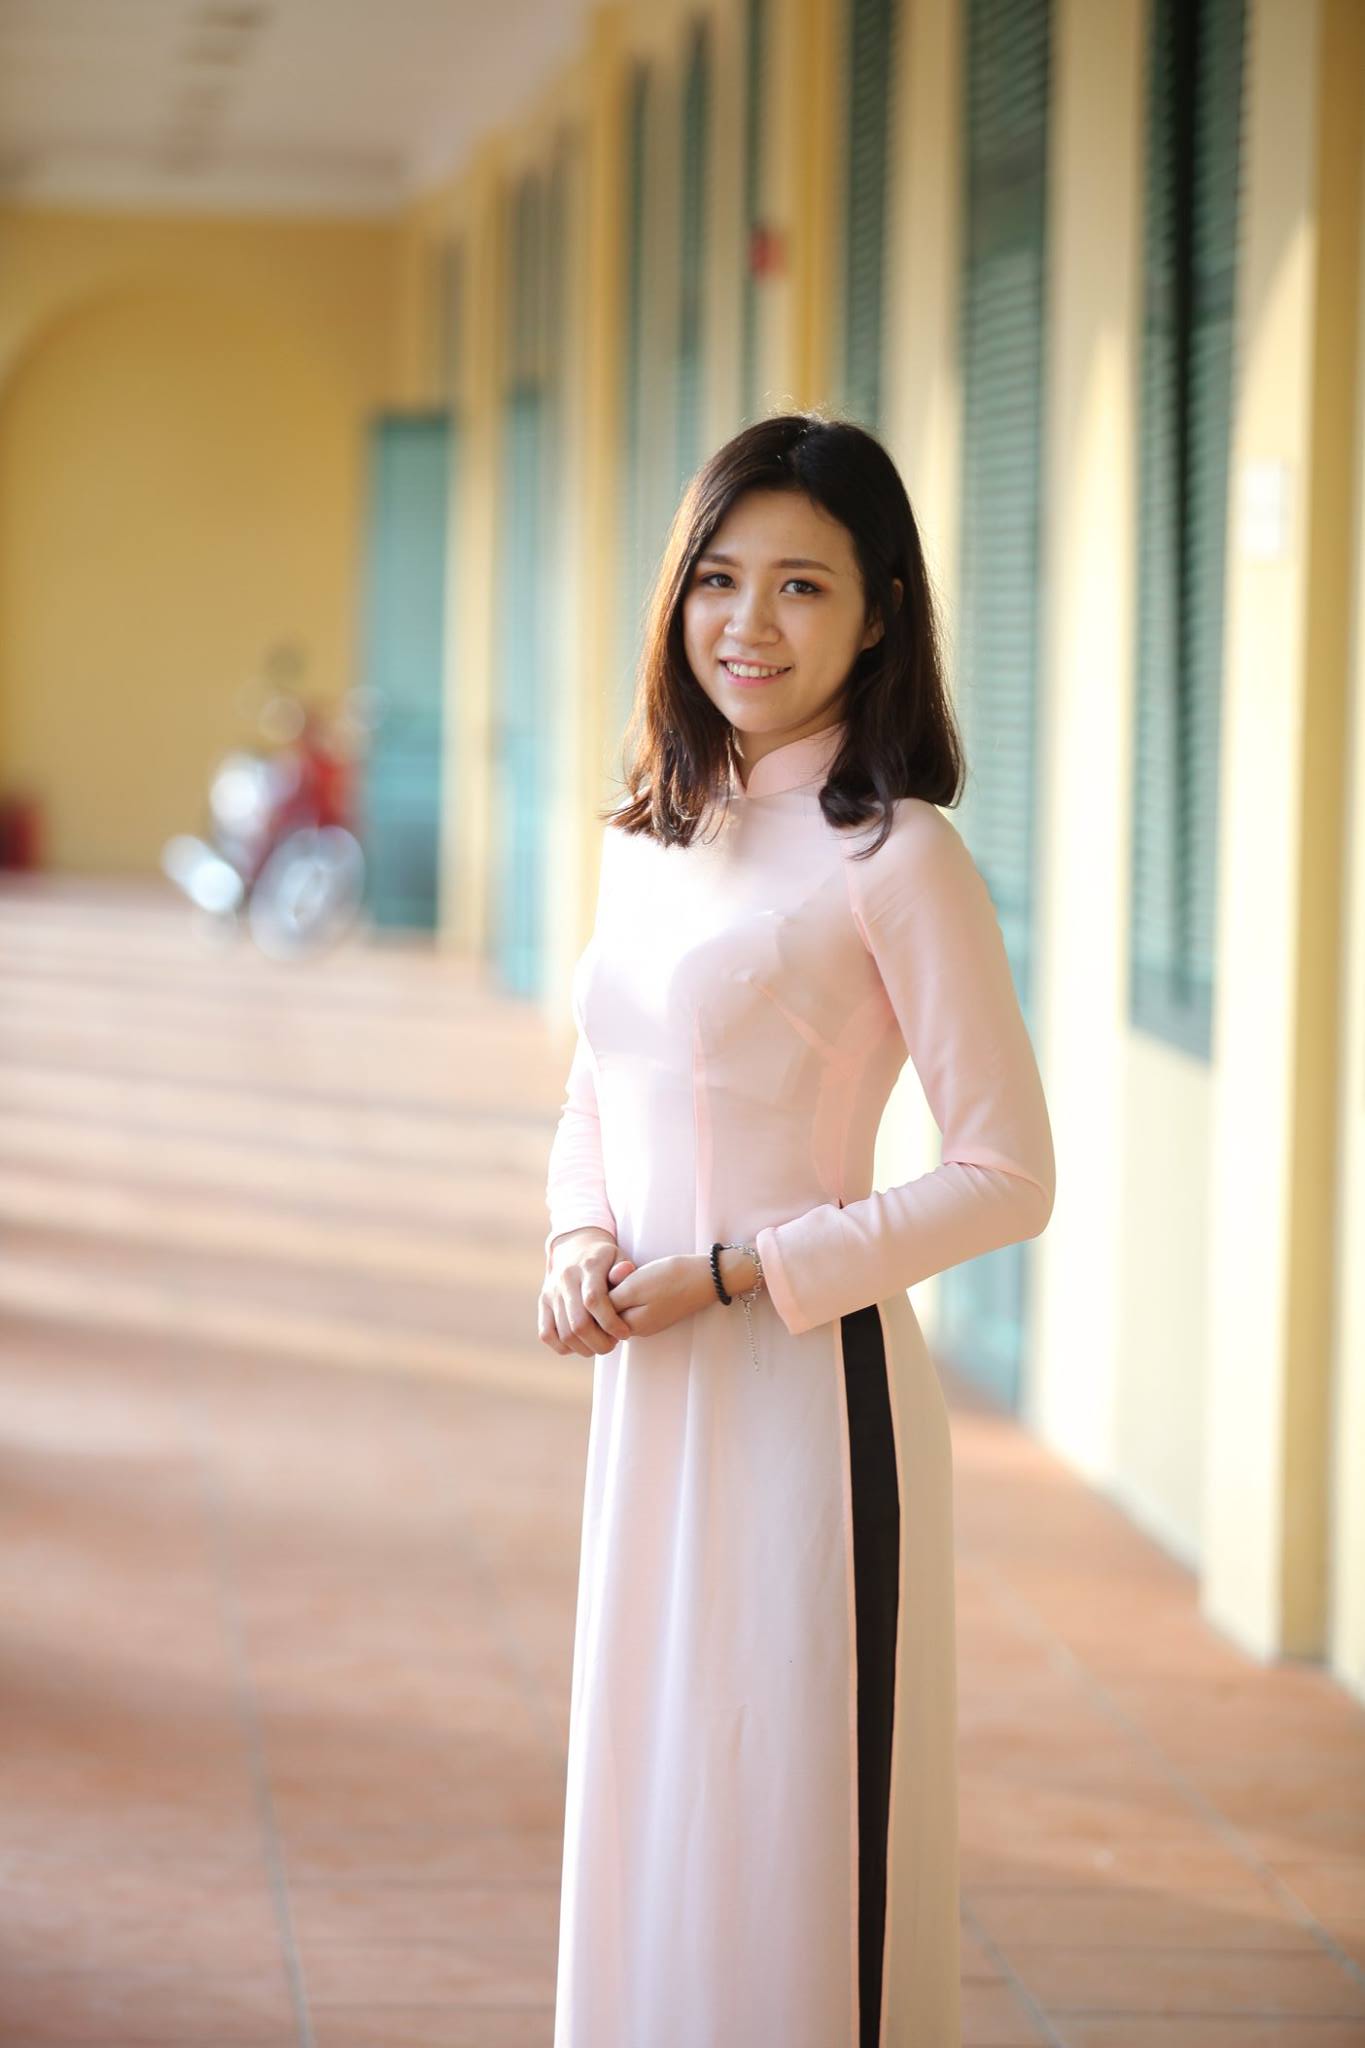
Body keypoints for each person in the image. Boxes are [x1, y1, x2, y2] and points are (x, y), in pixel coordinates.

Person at [538, 411, 1056, 2047]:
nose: (745, 624)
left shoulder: (898, 856)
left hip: (806, 1403)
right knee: (657, 1789)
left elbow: (1008, 1171)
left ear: (879, 615)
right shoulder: (650, 830)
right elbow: (597, 1084)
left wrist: (743, 1271)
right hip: (648, 1393)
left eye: (800, 586)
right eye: (716, 578)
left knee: (787, 1816)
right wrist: (574, 1243)